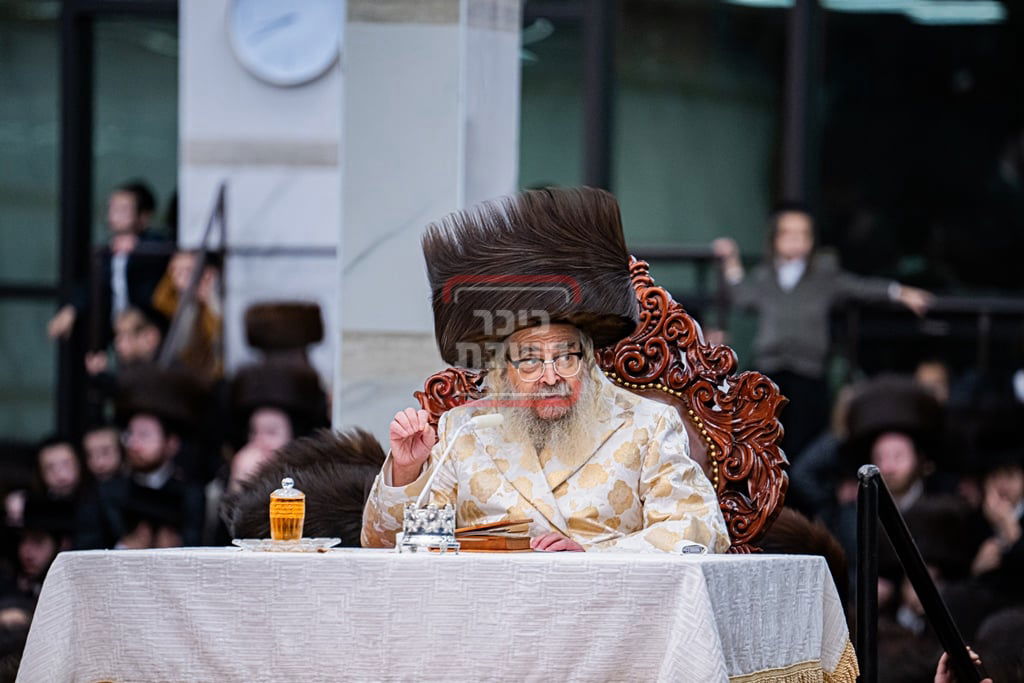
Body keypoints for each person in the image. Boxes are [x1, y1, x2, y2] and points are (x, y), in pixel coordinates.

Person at [361, 187, 729, 553]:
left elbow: (699, 530)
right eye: (531, 359)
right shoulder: (464, 429)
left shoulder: (647, 424)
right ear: (503, 369)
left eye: (566, 356)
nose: (551, 376)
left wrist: (593, 557)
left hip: (605, 604)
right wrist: (406, 472)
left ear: (587, 357)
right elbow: (385, 545)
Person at [712, 202, 933, 457]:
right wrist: (731, 264)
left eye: (803, 234)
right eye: (788, 233)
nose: (796, 240)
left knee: (805, 442)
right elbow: (742, 296)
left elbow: (859, 287)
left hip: (809, 371)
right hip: (770, 369)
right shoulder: (765, 276)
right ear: (774, 239)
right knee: (767, 441)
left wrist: (899, 292)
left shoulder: (824, 276)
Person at [47, 181, 171, 349]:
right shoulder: (106, 253)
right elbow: (92, 288)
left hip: (149, 331)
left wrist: (139, 247)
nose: (115, 215)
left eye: (123, 209)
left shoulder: (155, 247)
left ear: (143, 216)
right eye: (112, 208)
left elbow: (169, 250)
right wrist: (72, 311)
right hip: (115, 332)